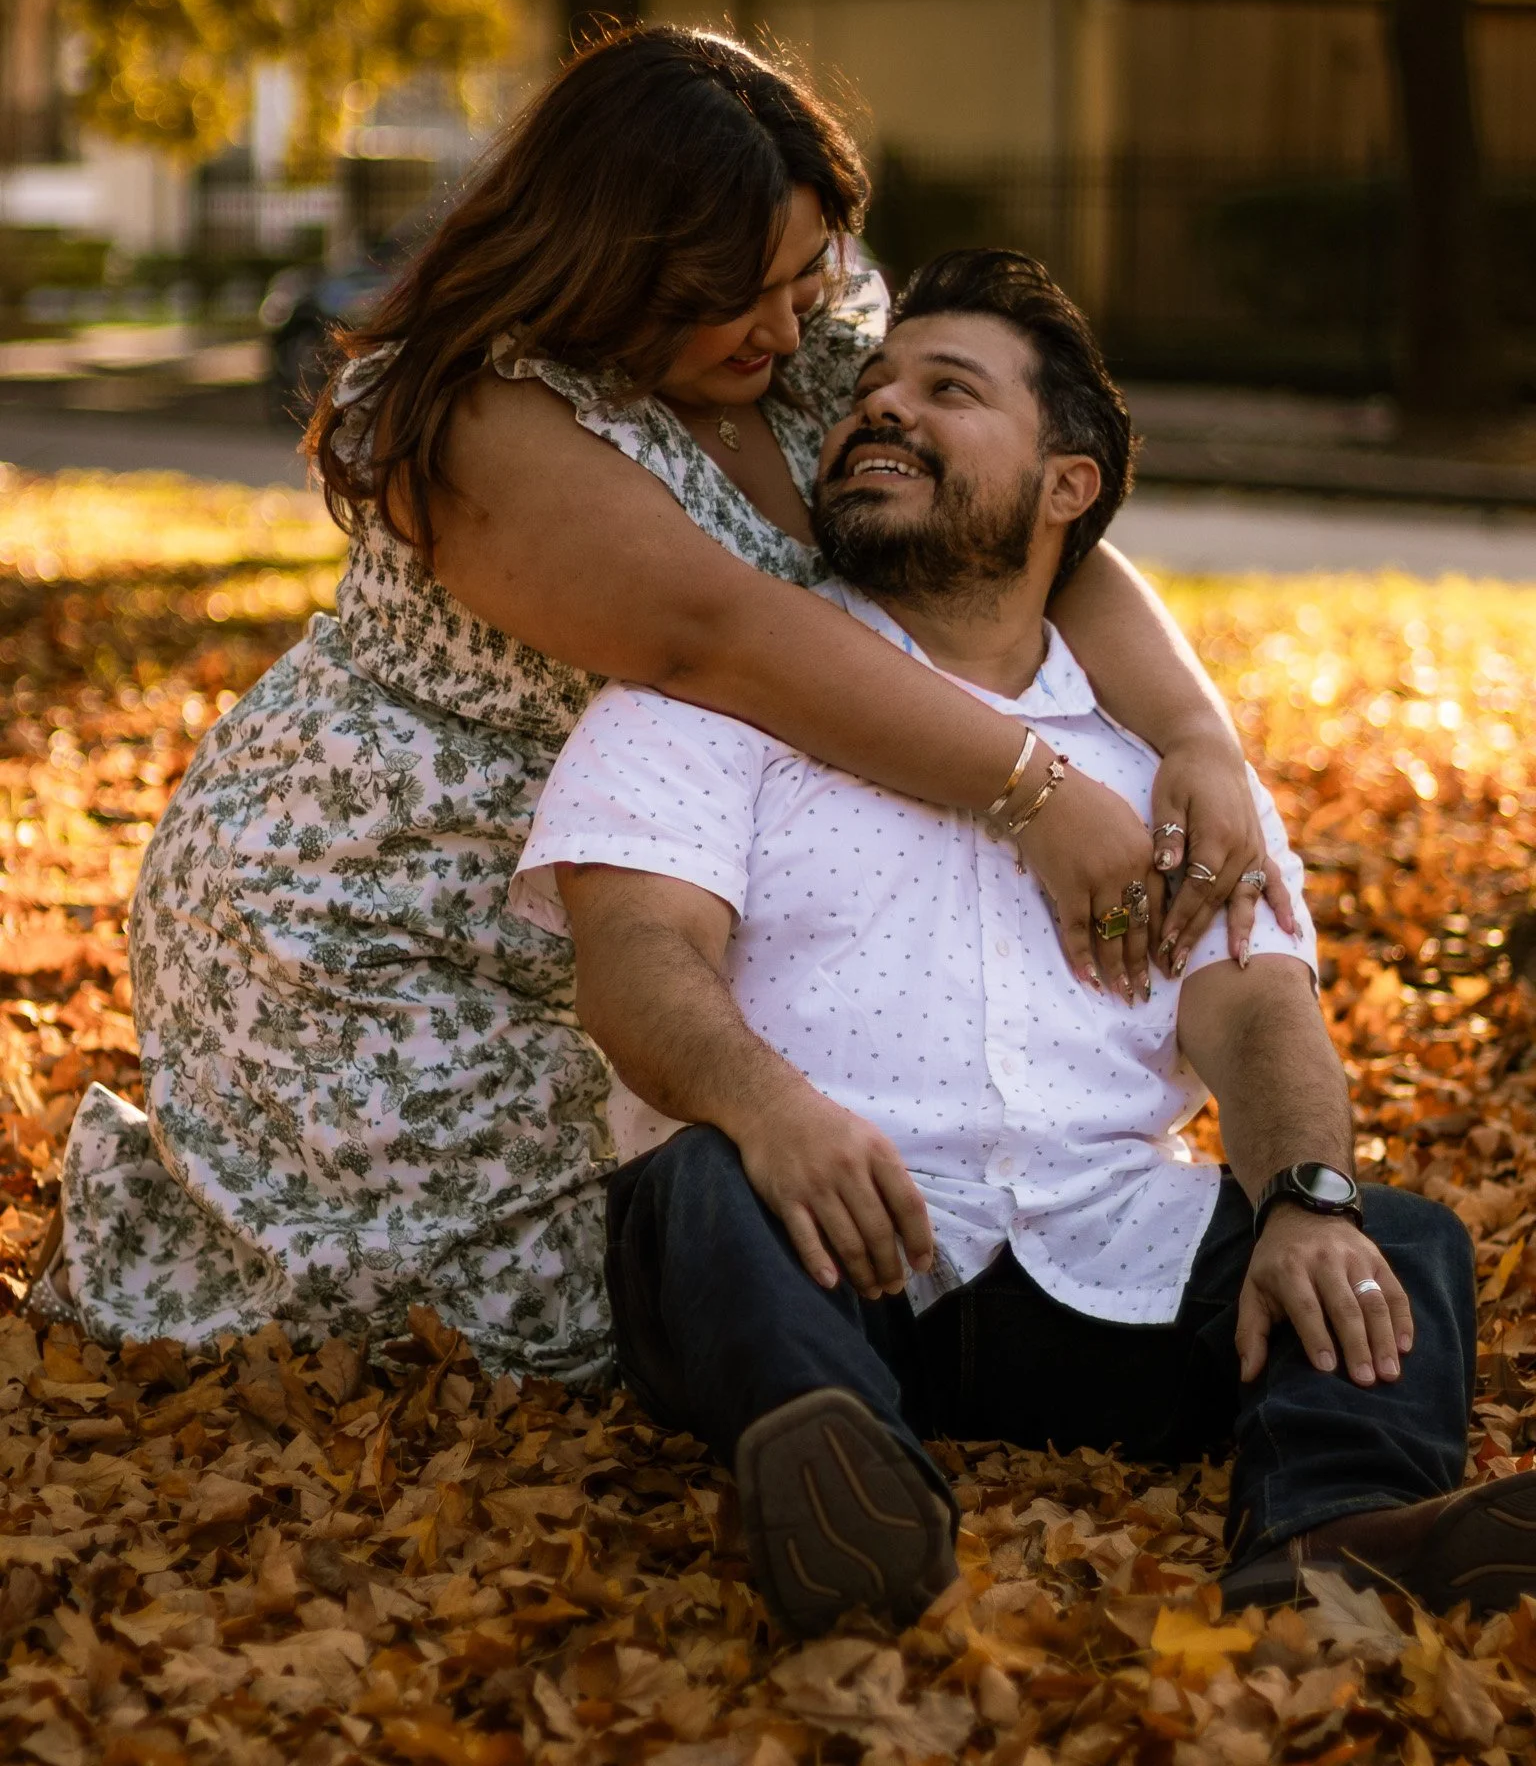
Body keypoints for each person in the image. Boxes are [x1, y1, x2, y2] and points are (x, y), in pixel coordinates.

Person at [44, 31, 1288, 1385]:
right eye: (736, 295)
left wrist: (1198, 741)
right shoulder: (483, 414)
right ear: (608, 265)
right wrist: (1033, 789)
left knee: (743, 1258)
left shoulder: (795, 337)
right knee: (608, 1305)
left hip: (637, 888)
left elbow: (1041, 526)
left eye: (804, 271)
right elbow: (725, 639)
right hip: (385, 915)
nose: (788, 321)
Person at [511, 246, 1515, 1632]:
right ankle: (845, 1490)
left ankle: (1333, 1531)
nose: (880, 408)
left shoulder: (1160, 766)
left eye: (947, 390)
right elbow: (635, 965)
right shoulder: (723, 687)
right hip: (823, 1243)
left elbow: (1258, 1012)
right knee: (694, 1194)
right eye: (869, 387)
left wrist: (1303, 1199)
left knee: (1394, 1237)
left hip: (1109, 1256)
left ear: (1066, 488)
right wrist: (772, 1111)